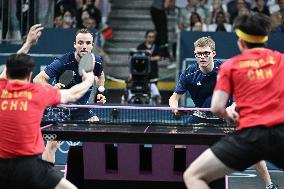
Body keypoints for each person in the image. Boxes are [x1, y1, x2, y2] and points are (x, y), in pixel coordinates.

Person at [183, 13, 282, 189]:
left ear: (240, 42)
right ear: (265, 39)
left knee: (193, 176)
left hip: (250, 135)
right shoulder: (281, 60)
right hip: (281, 132)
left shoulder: (230, 66)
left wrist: (229, 114)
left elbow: (217, 107)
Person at [0, 25, 95, 188]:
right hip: (28, 167)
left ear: (7, 73)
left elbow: (8, 69)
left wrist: (28, 43)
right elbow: (72, 94)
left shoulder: (1, 87)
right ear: (30, 75)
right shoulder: (39, 92)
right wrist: (88, 78)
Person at [33, 28, 106, 163]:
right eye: (80, 42)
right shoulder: (63, 61)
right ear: (75, 44)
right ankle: (47, 178)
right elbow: (38, 79)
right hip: (59, 108)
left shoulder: (97, 61)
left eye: (87, 43)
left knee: (98, 130)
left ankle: (93, 171)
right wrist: (52, 90)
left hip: (80, 108)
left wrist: (100, 93)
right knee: (52, 144)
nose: (84, 46)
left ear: (92, 45)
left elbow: (101, 76)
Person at [136, 30, 161, 104]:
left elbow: (158, 57)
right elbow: (136, 57)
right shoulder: (140, 47)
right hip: (142, 72)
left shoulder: (156, 47)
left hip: (153, 72)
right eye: (149, 37)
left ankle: (155, 102)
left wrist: (148, 58)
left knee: (154, 91)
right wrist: (145, 53)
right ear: (146, 37)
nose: (151, 38)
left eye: (152, 37)